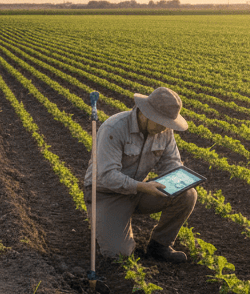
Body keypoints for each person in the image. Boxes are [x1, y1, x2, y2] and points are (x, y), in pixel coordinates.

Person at [83, 86, 197, 263]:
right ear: (145, 113)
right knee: (119, 255)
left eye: (167, 124)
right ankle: (109, 220)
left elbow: (171, 163)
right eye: (160, 122)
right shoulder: (114, 128)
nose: (163, 128)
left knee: (187, 194)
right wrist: (142, 186)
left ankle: (159, 246)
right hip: (105, 193)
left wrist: (180, 179)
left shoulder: (164, 131)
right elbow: (107, 175)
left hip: (138, 191)